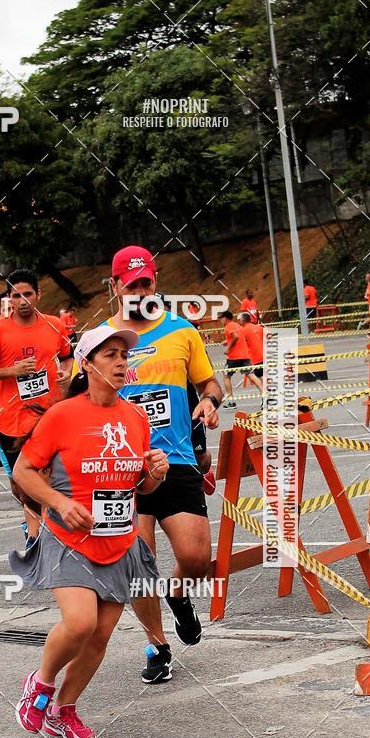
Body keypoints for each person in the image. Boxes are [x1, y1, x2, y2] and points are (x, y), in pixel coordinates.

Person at [11, 326, 169, 738]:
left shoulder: (135, 417)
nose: (120, 362)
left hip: (118, 541)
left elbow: (140, 487)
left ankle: (64, 710)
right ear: (86, 364)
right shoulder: (63, 415)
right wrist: (60, 504)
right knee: (81, 622)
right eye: (110, 355)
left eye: (123, 355)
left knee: (100, 635)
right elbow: (23, 471)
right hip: (69, 538)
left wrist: (155, 474)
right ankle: (41, 683)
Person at [103, 245, 223, 684]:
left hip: (176, 460)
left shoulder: (181, 330)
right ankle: (157, 645)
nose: (139, 291)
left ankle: (178, 595)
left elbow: (210, 382)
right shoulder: (100, 339)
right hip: (120, 469)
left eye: (146, 283)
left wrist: (209, 401)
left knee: (196, 559)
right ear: (115, 286)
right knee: (139, 565)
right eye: (130, 284)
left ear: (155, 283)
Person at [0, 269, 73, 546]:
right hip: (11, 422)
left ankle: (38, 536)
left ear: (38, 295)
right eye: (16, 295)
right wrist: (12, 371)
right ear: (9, 299)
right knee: (22, 487)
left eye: (28, 294)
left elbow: (67, 356)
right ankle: (34, 524)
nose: (23, 300)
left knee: (49, 477)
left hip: (49, 416)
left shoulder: (54, 325)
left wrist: (65, 373)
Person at [219, 310, 262, 407]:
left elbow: (235, 336)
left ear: (225, 318)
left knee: (226, 376)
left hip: (234, 357)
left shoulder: (228, 326)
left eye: (221, 318)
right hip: (245, 355)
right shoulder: (238, 326)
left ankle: (231, 401)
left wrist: (228, 349)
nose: (220, 320)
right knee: (251, 374)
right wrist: (227, 341)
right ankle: (264, 393)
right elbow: (239, 336)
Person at [238, 312, 265, 405]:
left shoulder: (243, 331)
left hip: (255, 358)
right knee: (264, 377)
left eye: (239, 320)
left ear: (243, 320)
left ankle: (265, 396)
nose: (238, 322)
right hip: (265, 355)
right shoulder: (259, 327)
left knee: (257, 378)